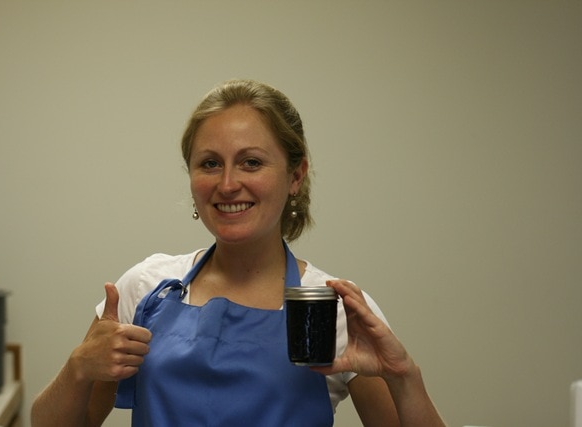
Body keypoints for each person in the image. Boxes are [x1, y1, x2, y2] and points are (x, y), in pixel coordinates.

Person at [31, 79, 446, 426]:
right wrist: (78, 367)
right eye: (210, 164)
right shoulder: (146, 288)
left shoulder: (331, 308)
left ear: (295, 176)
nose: (228, 184)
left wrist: (403, 375)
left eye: (251, 162)